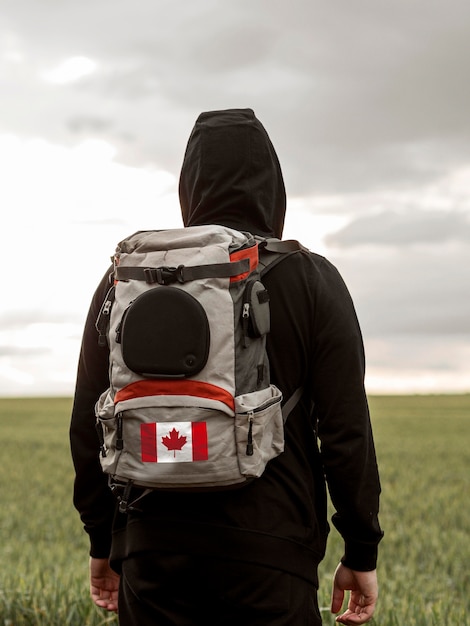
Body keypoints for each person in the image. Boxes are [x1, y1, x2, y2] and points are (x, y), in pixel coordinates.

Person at [70, 108, 383, 625]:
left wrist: (103, 540)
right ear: (272, 185)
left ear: (189, 186)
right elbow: (347, 430)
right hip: (273, 554)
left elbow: (88, 421)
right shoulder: (312, 279)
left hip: (152, 550)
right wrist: (361, 548)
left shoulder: (126, 283)